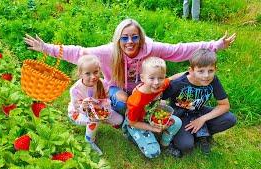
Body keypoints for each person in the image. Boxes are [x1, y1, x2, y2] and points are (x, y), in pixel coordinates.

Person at [24, 18, 236, 116]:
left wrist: (215, 45)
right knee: (122, 104)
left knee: (151, 104)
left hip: (145, 86)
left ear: (140, 37)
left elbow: (179, 49)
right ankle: (131, 116)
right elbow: (79, 52)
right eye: (125, 38)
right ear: (118, 39)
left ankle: (147, 113)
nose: (130, 42)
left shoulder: (151, 48)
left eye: (134, 37)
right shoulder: (109, 52)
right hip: (118, 87)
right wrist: (46, 48)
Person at [162, 49, 236, 155]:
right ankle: (192, 135)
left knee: (230, 118)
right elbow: (161, 97)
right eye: (201, 71)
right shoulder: (179, 83)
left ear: (215, 69)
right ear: (191, 70)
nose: (206, 75)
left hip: (199, 111)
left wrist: (202, 119)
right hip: (180, 116)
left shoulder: (213, 80)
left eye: (210, 71)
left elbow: (224, 105)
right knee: (186, 146)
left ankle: (202, 133)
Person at [123, 57, 182, 158]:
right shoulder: (136, 101)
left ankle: (165, 144)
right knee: (153, 153)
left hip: (152, 117)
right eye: (151, 78)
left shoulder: (161, 85)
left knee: (177, 122)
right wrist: (152, 128)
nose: (156, 82)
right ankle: (132, 136)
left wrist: (191, 73)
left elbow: (172, 78)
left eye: (160, 78)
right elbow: (132, 122)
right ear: (142, 78)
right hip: (136, 123)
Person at [67, 55, 123, 155]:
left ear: (99, 70)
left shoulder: (102, 83)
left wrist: (103, 108)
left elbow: (107, 99)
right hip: (78, 113)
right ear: (80, 74)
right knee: (93, 120)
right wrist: (83, 107)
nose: (93, 77)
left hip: (98, 110)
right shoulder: (75, 89)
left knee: (119, 120)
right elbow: (76, 106)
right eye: (88, 73)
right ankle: (89, 141)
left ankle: (102, 120)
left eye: (95, 72)